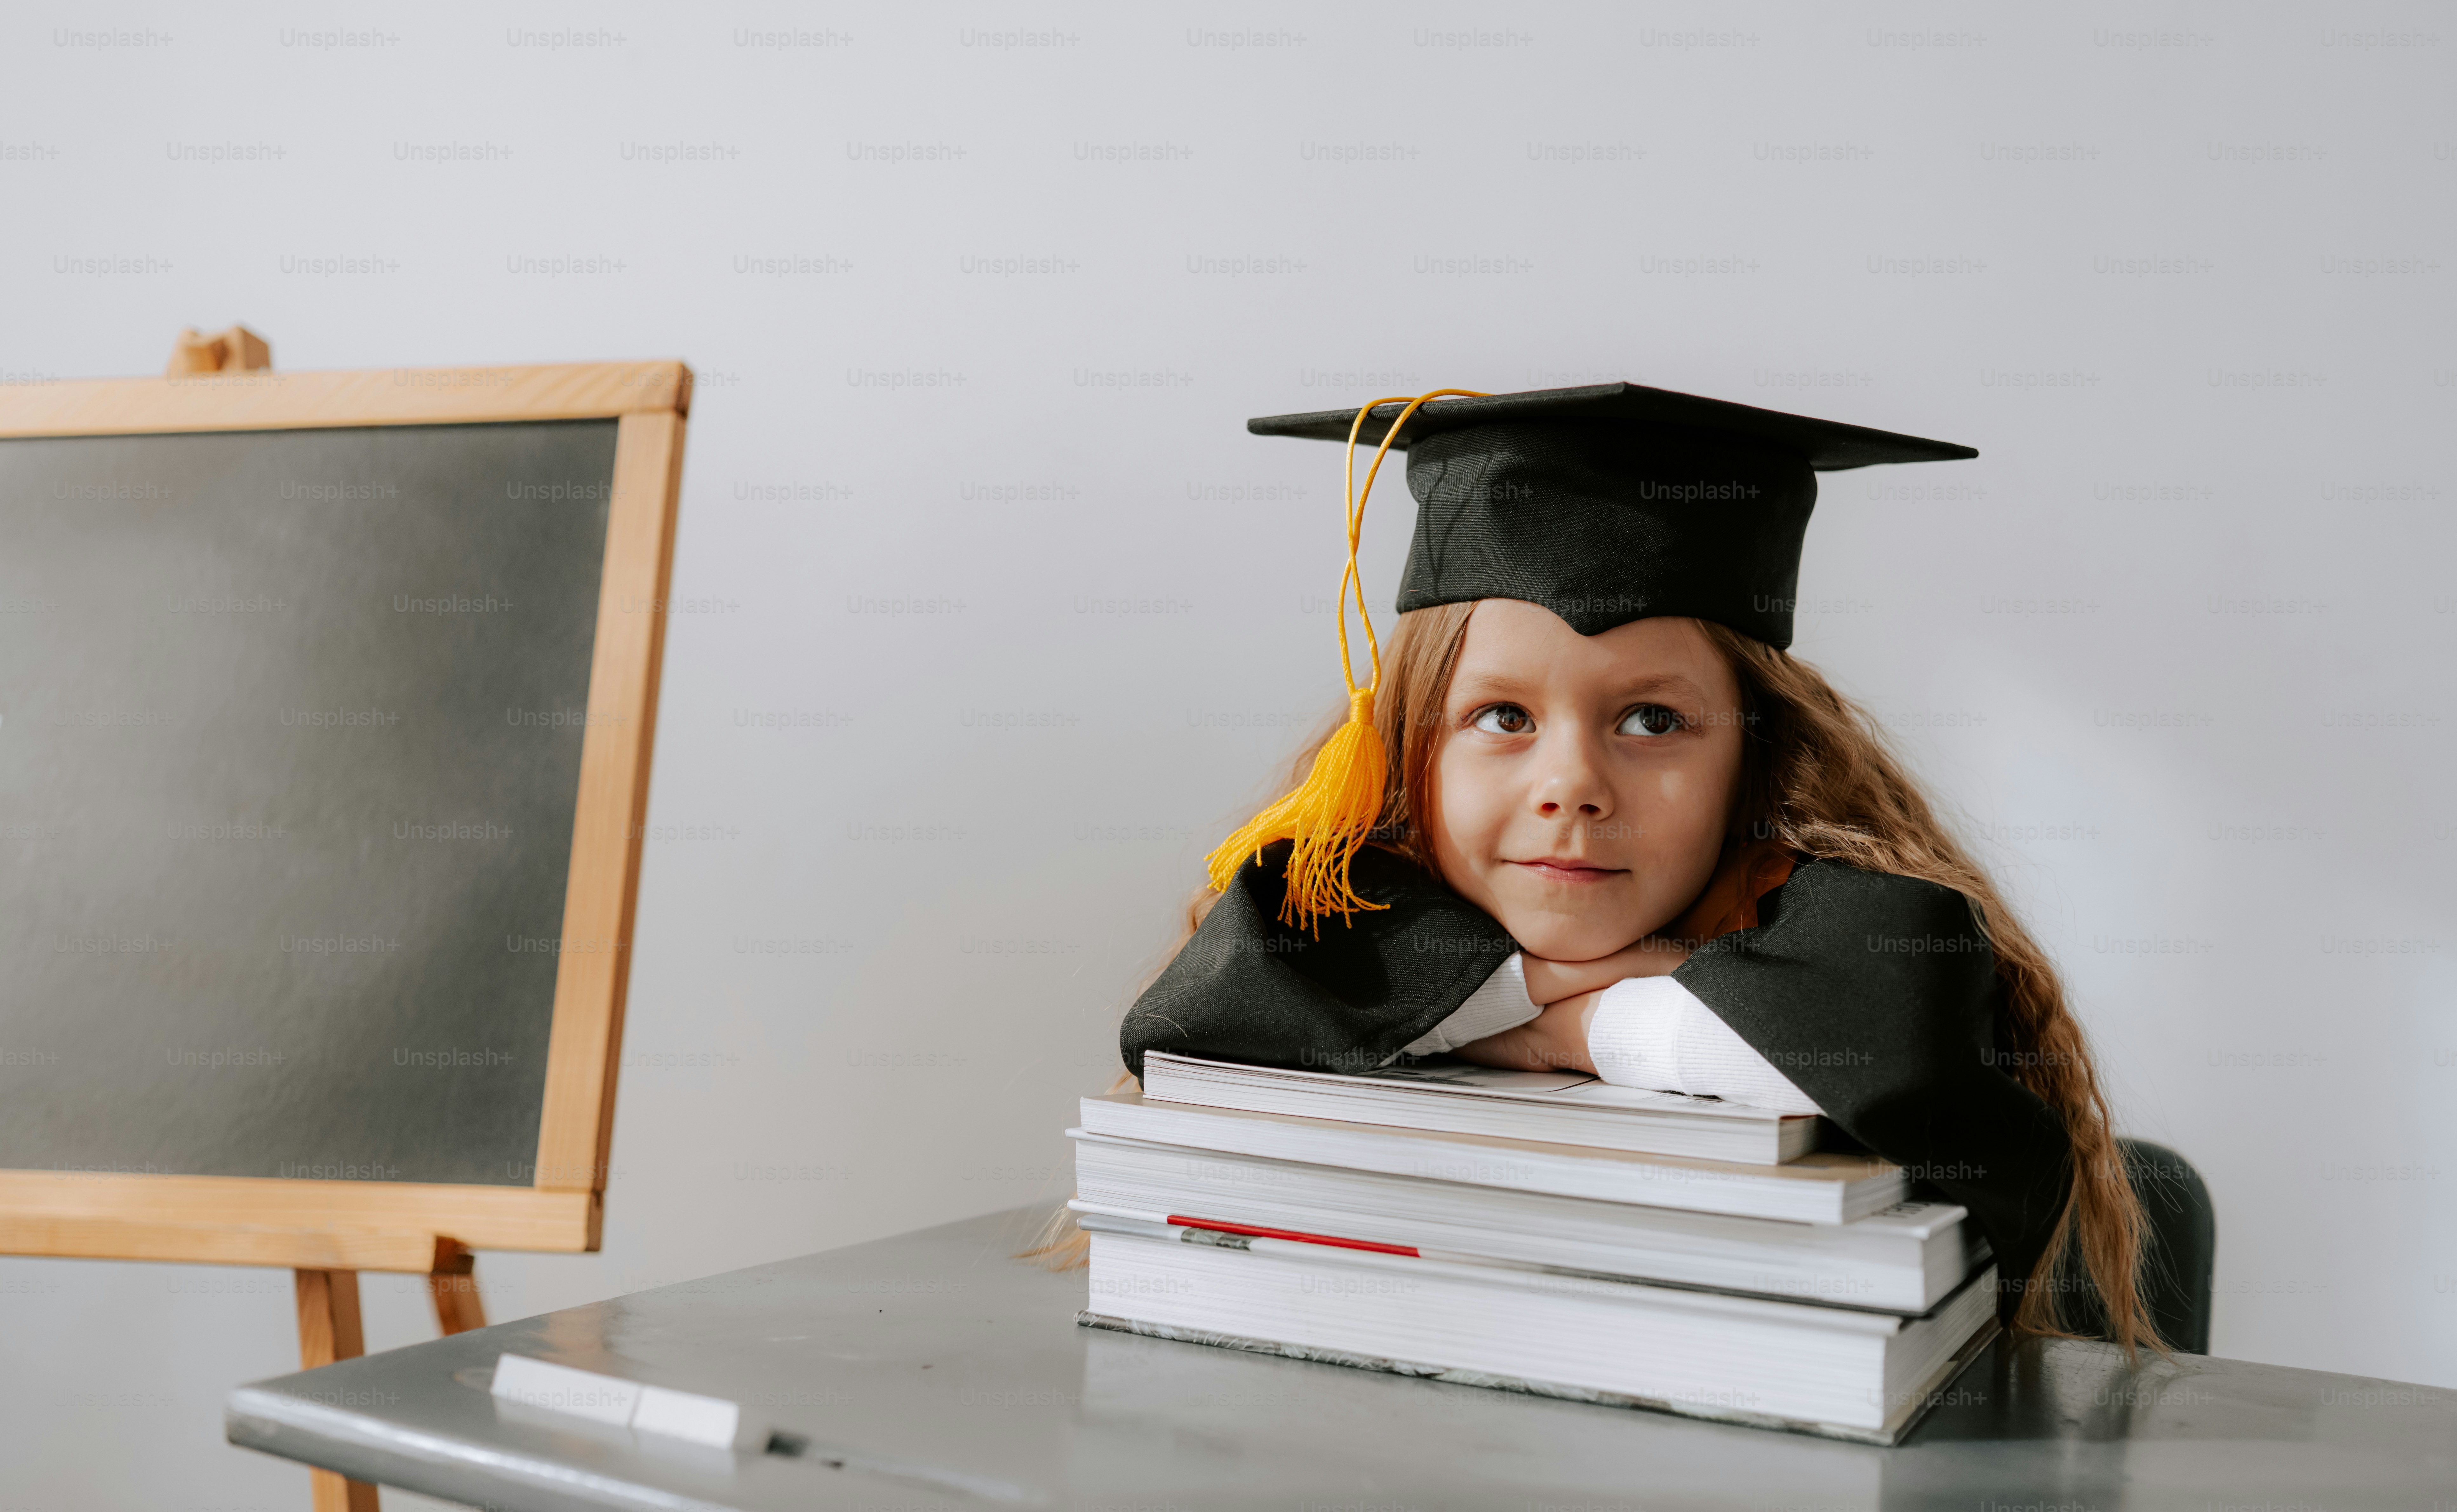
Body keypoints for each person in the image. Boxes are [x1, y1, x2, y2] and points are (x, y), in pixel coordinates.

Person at [1079, 383, 2157, 1351]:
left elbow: (1883, 1060)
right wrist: (1548, 982)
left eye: (1653, 718)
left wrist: (1564, 1030)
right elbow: (1207, 1016)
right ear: (1408, 750)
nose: (1573, 784)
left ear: (1756, 760)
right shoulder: (1327, 910)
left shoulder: (1862, 937)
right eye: (1500, 715)